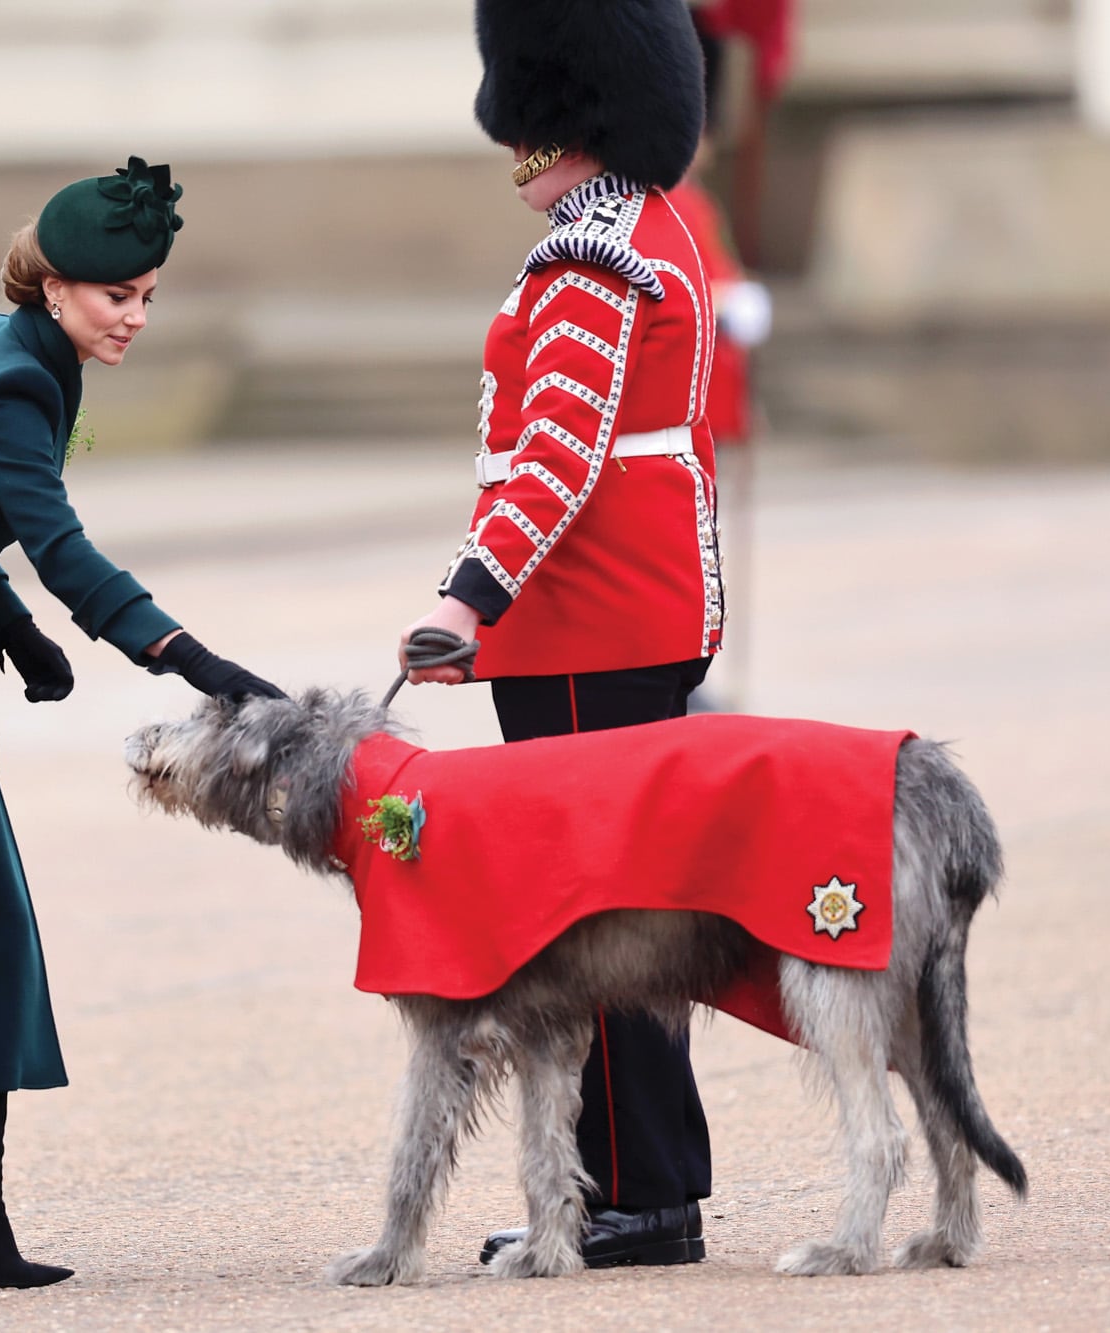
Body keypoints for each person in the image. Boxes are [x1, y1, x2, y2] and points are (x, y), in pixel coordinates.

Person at [0, 158, 284, 1291]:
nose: (133, 317)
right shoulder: (16, 378)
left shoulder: (16, 347)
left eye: (145, 295)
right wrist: (185, 658)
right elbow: (60, 541)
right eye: (112, 296)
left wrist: (2, 620)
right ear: (53, 285)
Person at [398, 0, 723, 1269]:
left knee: (596, 911)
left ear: (558, 110)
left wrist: (464, 597)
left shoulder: (588, 256)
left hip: (584, 619)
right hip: (617, 610)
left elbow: (557, 456)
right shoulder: (650, 228)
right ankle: (638, 1182)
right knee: (621, 902)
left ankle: (631, 1190)